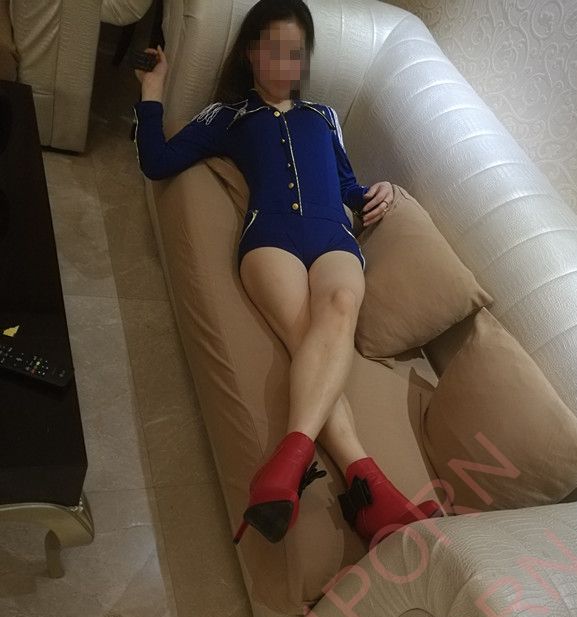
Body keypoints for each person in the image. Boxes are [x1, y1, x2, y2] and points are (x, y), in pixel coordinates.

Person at [133, 0, 443, 550]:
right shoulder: (227, 115)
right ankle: (369, 489)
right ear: (250, 53)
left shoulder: (324, 116)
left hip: (334, 238)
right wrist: (153, 90)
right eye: (273, 49)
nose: (285, 63)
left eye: (296, 52)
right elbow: (157, 161)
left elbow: (347, 184)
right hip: (270, 238)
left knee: (338, 312)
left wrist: (378, 192)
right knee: (309, 343)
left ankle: (286, 468)